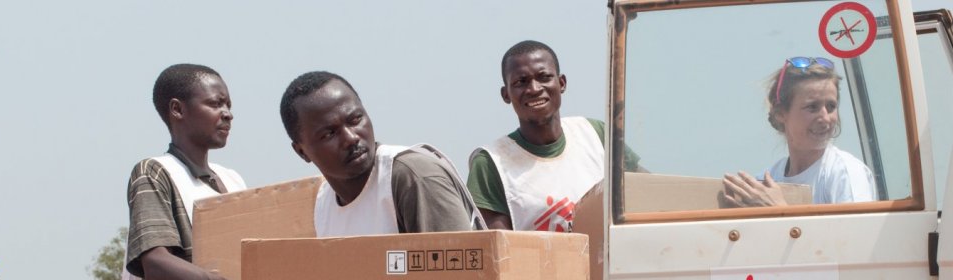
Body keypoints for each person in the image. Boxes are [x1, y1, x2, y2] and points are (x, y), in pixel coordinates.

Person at [280, 71, 486, 237]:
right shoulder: (324, 205)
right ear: (301, 152)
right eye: (329, 133)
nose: (351, 137)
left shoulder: (414, 177)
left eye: (355, 119)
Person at [465, 40, 643, 232]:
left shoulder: (596, 134)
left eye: (544, 77)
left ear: (561, 83)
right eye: (520, 82)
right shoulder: (491, 163)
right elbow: (497, 253)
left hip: (609, 261)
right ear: (506, 94)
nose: (534, 89)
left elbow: (648, 189)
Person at [124, 64, 245, 280]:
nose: (228, 114)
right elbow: (156, 263)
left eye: (228, 105)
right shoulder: (154, 172)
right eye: (215, 104)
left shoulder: (233, 180)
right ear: (177, 109)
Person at [721, 57, 877, 207]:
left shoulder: (846, 172)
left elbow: (858, 234)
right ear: (781, 113)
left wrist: (779, 210)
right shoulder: (767, 180)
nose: (825, 117)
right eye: (812, 107)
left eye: (831, 107)